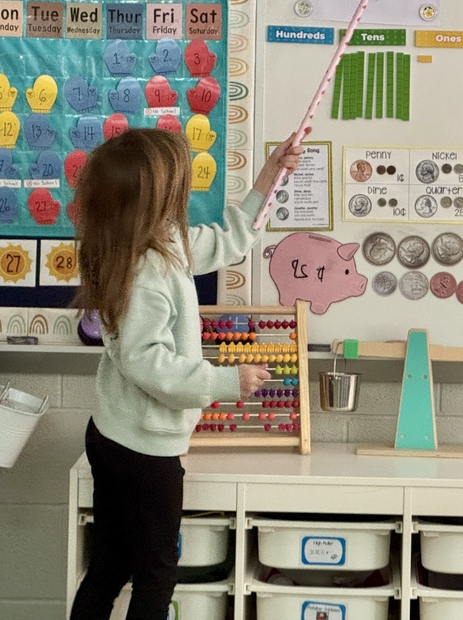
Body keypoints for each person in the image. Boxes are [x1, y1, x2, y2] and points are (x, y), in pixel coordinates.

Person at [69, 127, 304, 620]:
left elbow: (230, 241)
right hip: (141, 451)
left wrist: (269, 175)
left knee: (112, 563)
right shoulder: (146, 271)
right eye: (178, 186)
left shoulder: (158, 241)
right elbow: (147, 363)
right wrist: (226, 381)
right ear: (154, 200)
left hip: (117, 435)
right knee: (155, 573)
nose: (186, 194)